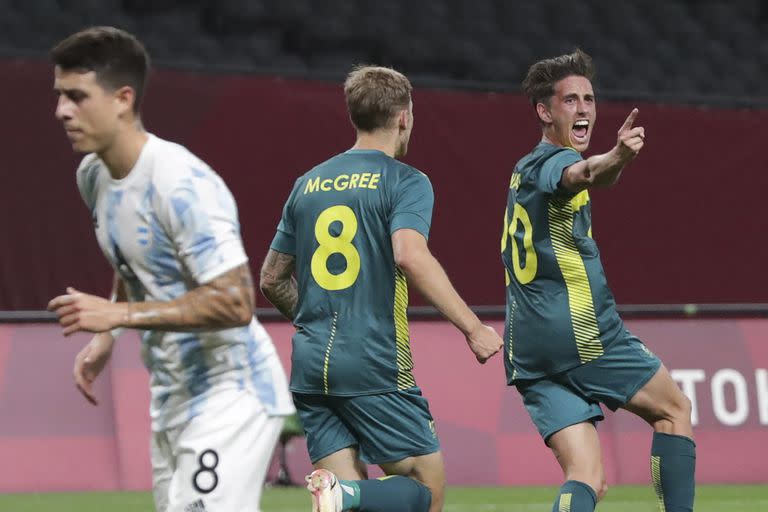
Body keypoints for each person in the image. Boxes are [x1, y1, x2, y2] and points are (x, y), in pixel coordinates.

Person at [46, 26, 294, 512]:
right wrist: (105, 339)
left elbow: (236, 302)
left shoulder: (181, 184)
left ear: (122, 98)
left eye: (76, 97)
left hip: (232, 393)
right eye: (59, 96)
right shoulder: (94, 176)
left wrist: (118, 317)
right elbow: (134, 261)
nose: (62, 111)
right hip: (173, 397)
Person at [260, 65, 503, 512]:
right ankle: (347, 493)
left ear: (355, 116)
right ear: (404, 117)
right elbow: (410, 254)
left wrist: (316, 319)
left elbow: (272, 278)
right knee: (424, 491)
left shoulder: (306, 185)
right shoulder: (405, 181)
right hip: (373, 360)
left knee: (344, 504)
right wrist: (472, 327)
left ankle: (343, 494)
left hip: (312, 364)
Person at [500, 48, 695, 512]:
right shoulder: (555, 161)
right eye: (571, 100)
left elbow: (593, 178)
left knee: (587, 477)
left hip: (528, 348)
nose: (584, 108)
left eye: (589, 98)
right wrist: (618, 154)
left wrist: (613, 162)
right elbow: (581, 173)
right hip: (580, 333)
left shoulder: (522, 170)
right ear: (544, 112)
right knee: (674, 411)